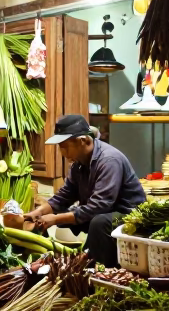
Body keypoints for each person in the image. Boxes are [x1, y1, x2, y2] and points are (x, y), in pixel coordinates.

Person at [24, 114, 146, 267]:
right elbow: (65, 195)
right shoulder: (78, 164)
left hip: (129, 215)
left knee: (99, 222)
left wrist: (54, 219)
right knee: (67, 218)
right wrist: (38, 213)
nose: (62, 153)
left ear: (83, 141)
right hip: (104, 213)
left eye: (65, 147)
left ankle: (99, 270)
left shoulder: (109, 160)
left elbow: (99, 206)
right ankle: (85, 259)